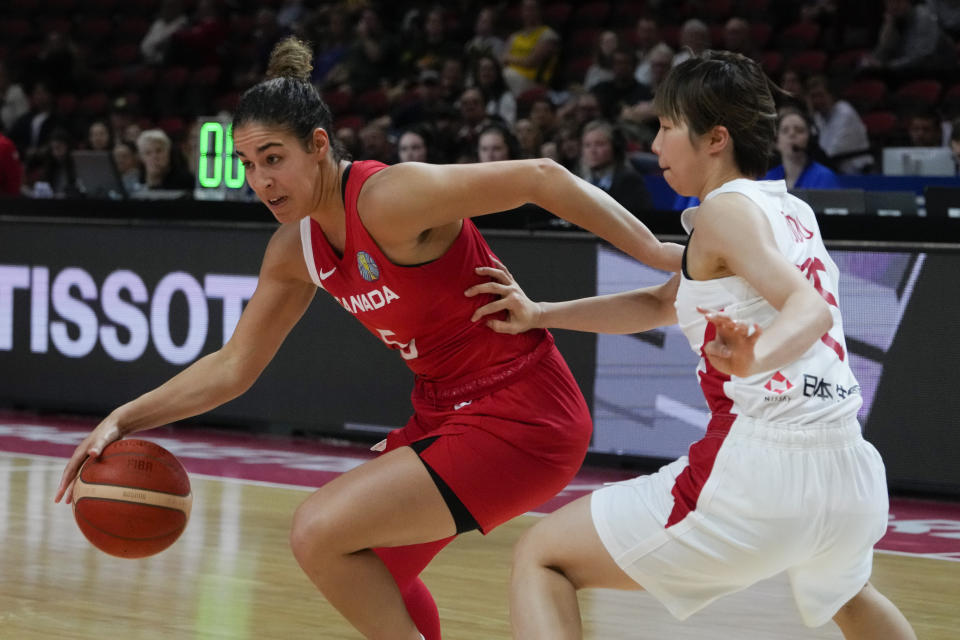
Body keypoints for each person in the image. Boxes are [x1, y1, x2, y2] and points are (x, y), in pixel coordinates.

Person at [55, 37, 683, 640]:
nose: (261, 180)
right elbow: (233, 365)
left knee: (318, 531)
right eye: (249, 165)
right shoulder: (294, 248)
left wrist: (655, 252)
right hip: (446, 412)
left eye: (274, 158)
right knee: (372, 571)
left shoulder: (389, 199)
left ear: (318, 145)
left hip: (523, 412)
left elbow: (541, 176)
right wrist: (125, 418)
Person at [465, 50, 917, 640]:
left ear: (716, 139)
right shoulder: (791, 209)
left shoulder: (725, 215)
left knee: (542, 555)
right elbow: (658, 302)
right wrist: (540, 314)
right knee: (850, 598)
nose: (654, 145)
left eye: (667, 126)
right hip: (849, 473)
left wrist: (758, 355)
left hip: (762, 470)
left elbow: (806, 308)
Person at [579, 119, 653, 216]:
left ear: (615, 148)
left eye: (599, 144)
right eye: (587, 145)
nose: (592, 151)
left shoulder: (630, 181)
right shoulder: (579, 180)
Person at [764, 107, 839, 188]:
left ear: (810, 139)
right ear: (776, 141)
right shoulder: (767, 179)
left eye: (799, 130)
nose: (792, 134)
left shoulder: (824, 177)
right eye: (785, 130)